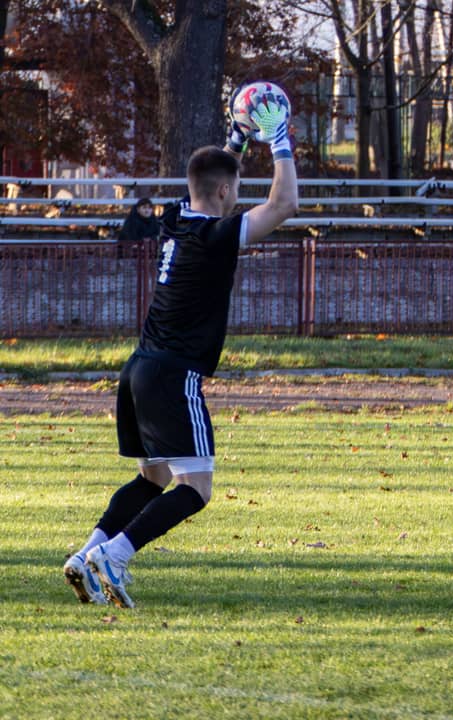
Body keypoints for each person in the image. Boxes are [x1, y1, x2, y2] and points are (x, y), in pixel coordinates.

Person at [62, 89, 299, 608]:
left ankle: (86, 555)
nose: (236, 198)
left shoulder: (174, 218)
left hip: (139, 369)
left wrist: (237, 139)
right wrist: (278, 138)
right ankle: (115, 556)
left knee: (154, 477)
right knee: (196, 488)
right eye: (234, 191)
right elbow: (284, 204)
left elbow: (214, 176)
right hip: (173, 376)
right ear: (224, 193)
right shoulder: (215, 237)